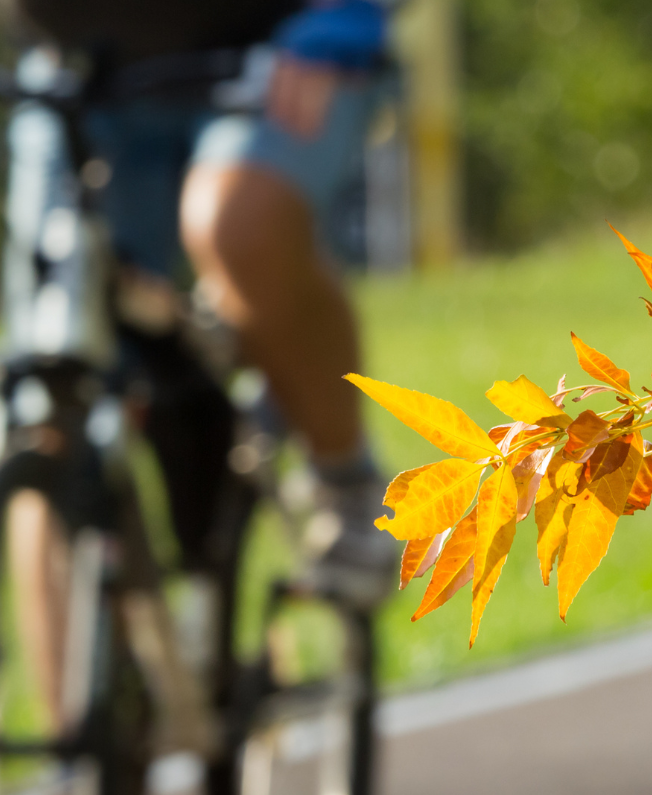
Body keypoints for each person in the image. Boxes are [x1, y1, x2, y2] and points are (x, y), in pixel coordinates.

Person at [1, 0, 399, 607]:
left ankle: (343, 481)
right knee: (49, 380)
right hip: (80, 69)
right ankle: (90, 692)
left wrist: (339, 24)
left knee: (237, 227)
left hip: (275, 52)